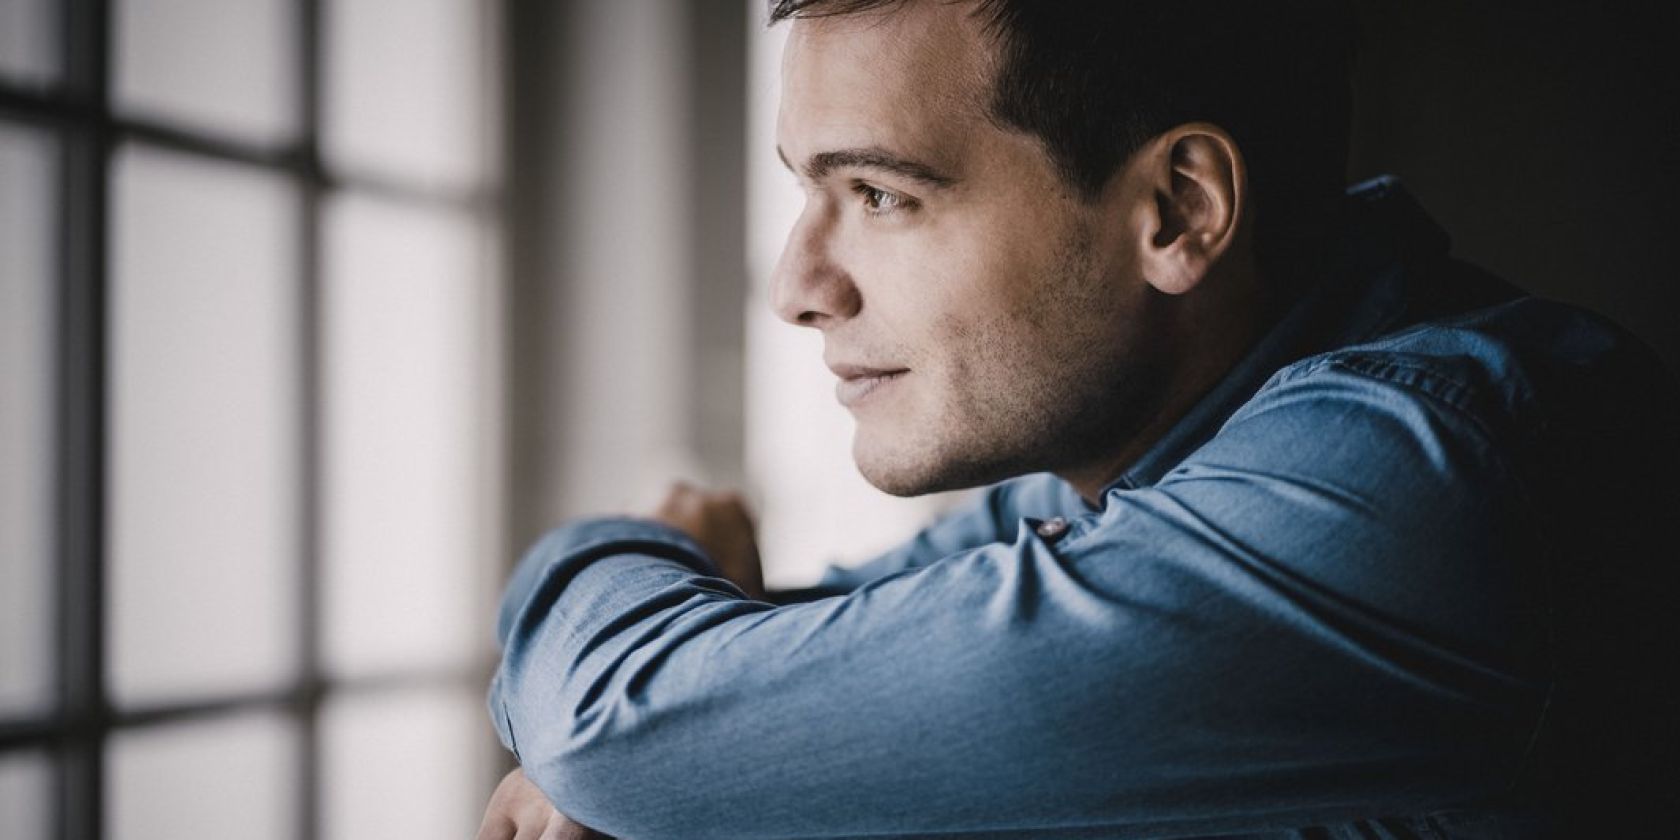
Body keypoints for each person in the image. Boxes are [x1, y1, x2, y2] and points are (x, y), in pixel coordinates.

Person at [476, 1, 1679, 838]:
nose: (798, 286)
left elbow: (615, 724)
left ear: (1176, 208)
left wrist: (660, 540)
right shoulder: (1147, 444)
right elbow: (749, 709)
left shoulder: (1409, 486)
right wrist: (674, 744)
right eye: (809, 192)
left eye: (884, 195)